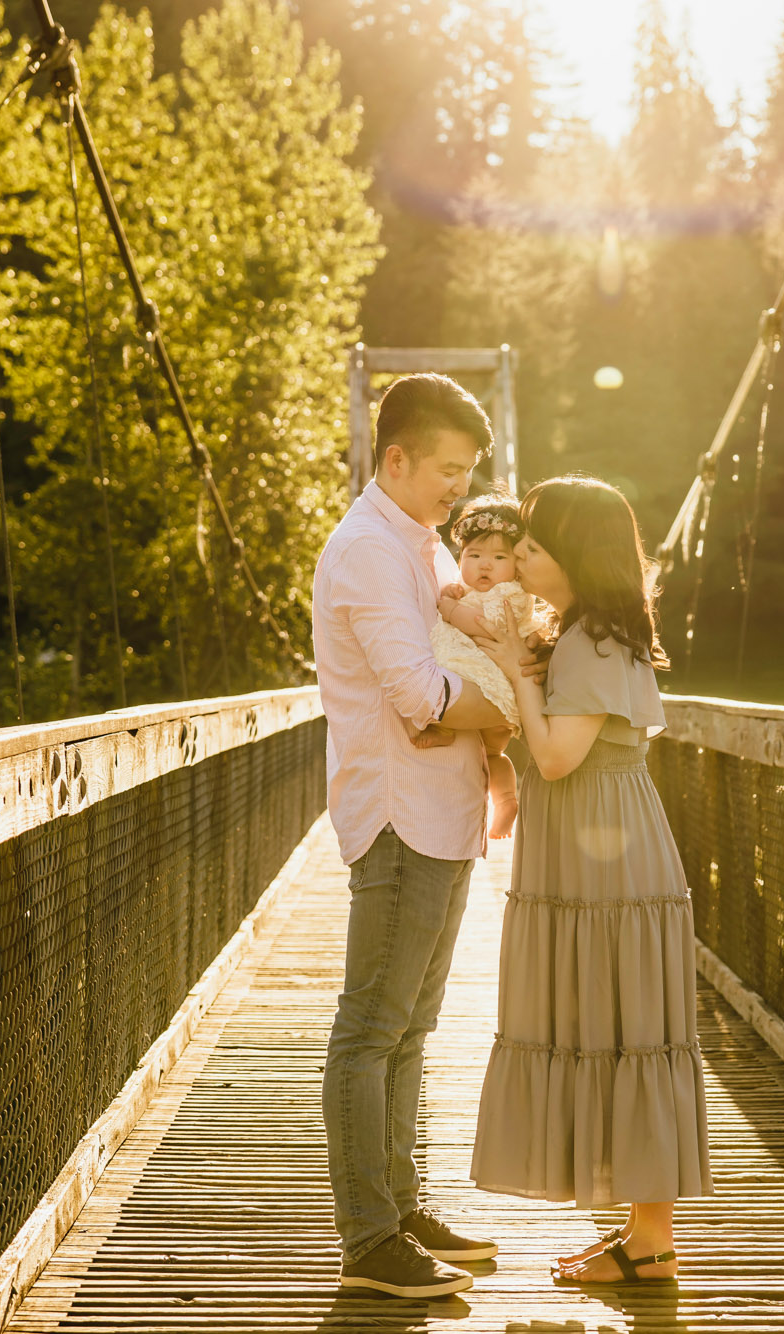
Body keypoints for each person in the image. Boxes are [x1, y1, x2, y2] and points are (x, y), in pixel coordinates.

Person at [467, 474, 714, 1285]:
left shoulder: (590, 642)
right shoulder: (589, 630)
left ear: (576, 555)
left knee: (630, 1028)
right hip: (592, 853)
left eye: (535, 543)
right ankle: (646, 1240)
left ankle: (651, 1244)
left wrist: (516, 669)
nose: (521, 553)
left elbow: (554, 757)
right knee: (620, 1026)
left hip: (605, 862)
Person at [313, 373, 515, 1299]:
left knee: (411, 1028)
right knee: (371, 1030)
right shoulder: (366, 553)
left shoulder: (426, 547)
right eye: (446, 469)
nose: (457, 487)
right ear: (395, 459)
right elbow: (422, 697)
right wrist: (495, 715)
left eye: (466, 472)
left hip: (447, 814)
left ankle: (399, 1204)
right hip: (399, 818)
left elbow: (458, 686)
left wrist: (480, 717)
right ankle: (369, 1240)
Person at [431, 491, 538, 840]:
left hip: (494, 685)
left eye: (498, 557)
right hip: (482, 689)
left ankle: (505, 799)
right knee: (492, 754)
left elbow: (484, 624)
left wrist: (448, 610)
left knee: (482, 744)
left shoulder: (511, 595)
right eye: (474, 555)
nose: (484, 565)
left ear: (516, 566)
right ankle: (505, 800)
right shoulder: (468, 589)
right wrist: (456, 594)